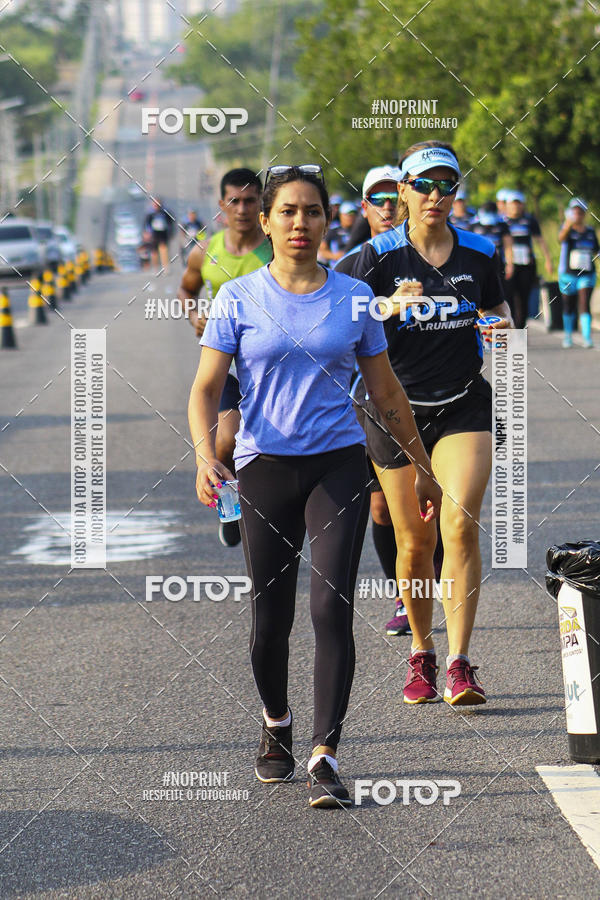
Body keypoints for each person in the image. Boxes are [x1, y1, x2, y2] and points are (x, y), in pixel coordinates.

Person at [188, 164, 441, 808]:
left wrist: (421, 468)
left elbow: (386, 392)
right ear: (267, 223)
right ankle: (277, 725)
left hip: (337, 465)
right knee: (270, 618)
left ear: (330, 221)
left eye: (314, 212)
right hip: (264, 468)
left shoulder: (353, 297)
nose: (302, 223)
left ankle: (325, 753)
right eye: (289, 212)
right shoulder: (238, 298)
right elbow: (206, 389)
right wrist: (202, 456)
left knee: (331, 609)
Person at [351, 140, 513, 707]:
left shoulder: (480, 252)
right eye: (424, 185)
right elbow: (332, 317)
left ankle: (461, 663)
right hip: (395, 411)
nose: (436, 197)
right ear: (403, 191)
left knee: (461, 523)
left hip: (463, 403)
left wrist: (496, 329)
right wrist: (384, 308)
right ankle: (421, 650)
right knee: (415, 543)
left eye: (447, 186)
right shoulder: (375, 258)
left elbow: (499, 313)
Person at [178, 168, 272, 547]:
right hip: (226, 366)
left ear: (262, 204)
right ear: (222, 205)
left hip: (269, 365)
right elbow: (186, 289)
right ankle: (231, 506)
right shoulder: (206, 250)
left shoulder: (274, 246)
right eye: (235, 201)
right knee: (226, 440)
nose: (243, 209)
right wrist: (195, 316)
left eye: (251, 200)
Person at [504, 190, 552, 329]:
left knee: (522, 299)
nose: (516, 207)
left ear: (523, 205)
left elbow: (540, 241)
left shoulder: (530, 220)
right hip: (508, 265)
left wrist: (548, 260)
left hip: (526, 265)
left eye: (518, 204)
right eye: (513, 204)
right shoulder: (503, 222)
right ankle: (508, 329)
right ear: (507, 206)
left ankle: (519, 330)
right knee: (507, 298)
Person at [558, 197, 598, 348]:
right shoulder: (567, 230)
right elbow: (560, 239)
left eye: (580, 212)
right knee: (568, 304)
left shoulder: (590, 231)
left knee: (584, 303)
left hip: (587, 274)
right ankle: (568, 335)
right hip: (568, 274)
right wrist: (568, 224)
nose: (578, 215)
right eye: (575, 212)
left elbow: (596, 249)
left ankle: (587, 337)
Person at [471, 201, 514, 285]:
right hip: (479, 265)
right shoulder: (473, 226)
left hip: (498, 264)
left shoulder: (502, 225)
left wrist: (510, 265)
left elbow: (508, 246)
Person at [143, 197, 175, 272]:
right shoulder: (150, 213)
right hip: (154, 234)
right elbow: (146, 224)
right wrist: (146, 233)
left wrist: (171, 232)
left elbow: (171, 222)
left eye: (158, 204)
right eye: (155, 204)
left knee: (164, 250)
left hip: (163, 233)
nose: (156, 206)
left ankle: (166, 267)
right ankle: (155, 267)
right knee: (154, 252)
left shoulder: (165, 212)